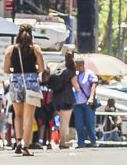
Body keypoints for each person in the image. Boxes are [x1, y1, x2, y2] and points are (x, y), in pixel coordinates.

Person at [5, 27, 47, 156]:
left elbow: (6, 69)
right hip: (31, 82)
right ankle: (26, 146)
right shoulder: (36, 49)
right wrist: (33, 67)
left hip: (16, 81)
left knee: (18, 115)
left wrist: (15, 70)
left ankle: (18, 142)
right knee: (29, 117)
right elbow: (41, 68)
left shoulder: (11, 49)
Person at [45, 48, 76, 150]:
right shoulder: (71, 70)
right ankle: (63, 142)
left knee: (61, 121)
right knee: (64, 122)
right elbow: (76, 86)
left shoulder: (59, 67)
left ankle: (62, 141)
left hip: (56, 98)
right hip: (67, 98)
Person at [71, 53, 98, 148]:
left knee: (90, 123)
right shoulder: (76, 75)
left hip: (87, 103)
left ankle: (93, 141)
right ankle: (81, 142)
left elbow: (93, 86)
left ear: (81, 64)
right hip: (77, 103)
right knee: (79, 124)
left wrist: (91, 97)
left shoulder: (89, 73)